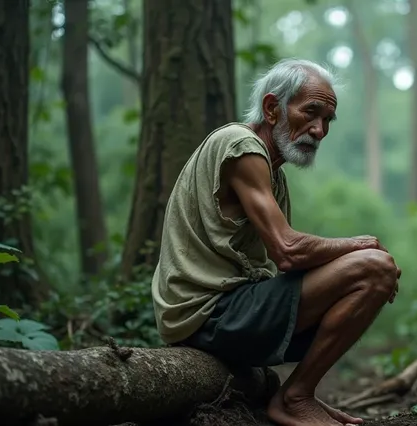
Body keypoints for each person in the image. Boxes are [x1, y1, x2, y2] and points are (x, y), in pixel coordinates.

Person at [150, 58, 401, 426]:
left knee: (371, 275)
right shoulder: (240, 145)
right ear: (272, 108)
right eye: (311, 112)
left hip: (226, 313)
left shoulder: (273, 173)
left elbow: (285, 260)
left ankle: (297, 395)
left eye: (328, 120)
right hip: (208, 316)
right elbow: (288, 251)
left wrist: (358, 274)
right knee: (374, 269)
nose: (319, 130)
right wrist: (363, 248)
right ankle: (295, 398)